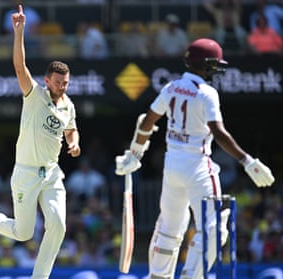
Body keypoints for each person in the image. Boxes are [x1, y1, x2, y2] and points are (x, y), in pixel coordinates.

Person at [115, 38, 275, 278]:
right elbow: (218, 132)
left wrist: (135, 153)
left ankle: (158, 275)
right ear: (205, 65)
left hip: (172, 165)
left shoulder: (171, 87)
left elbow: (148, 120)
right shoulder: (207, 93)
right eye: (214, 65)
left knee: (170, 228)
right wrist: (247, 161)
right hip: (198, 165)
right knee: (215, 228)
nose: (217, 70)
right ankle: (192, 275)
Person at [0, 5, 81, 279]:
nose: (62, 87)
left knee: (58, 225)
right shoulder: (34, 96)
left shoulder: (68, 105)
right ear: (47, 81)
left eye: (65, 83)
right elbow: (19, 66)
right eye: (57, 83)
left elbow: (71, 129)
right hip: (27, 173)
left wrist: (74, 142)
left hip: (52, 173)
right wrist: (19, 32)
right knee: (23, 232)